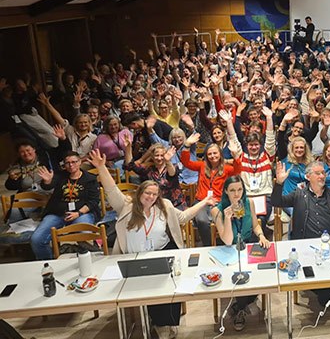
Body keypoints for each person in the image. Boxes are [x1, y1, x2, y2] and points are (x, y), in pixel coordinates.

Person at [88, 149, 216, 339]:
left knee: (170, 289)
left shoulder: (165, 206)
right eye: (147, 193)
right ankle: (159, 324)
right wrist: (100, 167)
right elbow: (111, 189)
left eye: (154, 194)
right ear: (140, 192)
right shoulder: (126, 206)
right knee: (151, 292)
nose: (150, 197)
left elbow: (184, 216)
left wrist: (205, 201)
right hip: (133, 257)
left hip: (162, 252)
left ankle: (169, 323)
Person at [271, 161, 330, 313]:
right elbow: (276, 202)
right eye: (318, 173)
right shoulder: (299, 193)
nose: (322, 176)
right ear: (308, 177)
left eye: (323, 173)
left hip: (329, 243)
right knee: (307, 273)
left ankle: (325, 293)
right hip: (305, 244)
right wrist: (279, 183)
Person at [211, 176, 270, 331]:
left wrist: (262, 235)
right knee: (239, 275)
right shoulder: (216, 210)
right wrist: (228, 219)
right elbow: (227, 240)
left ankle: (240, 304)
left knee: (263, 271)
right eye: (232, 190)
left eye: (239, 190)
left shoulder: (249, 202)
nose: (237, 194)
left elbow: (256, 225)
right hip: (229, 247)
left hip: (248, 242)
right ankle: (240, 308)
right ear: (225, 191)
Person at [30, 151, 100, 260]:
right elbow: (48, 186)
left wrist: (78, 213)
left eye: (74, 162)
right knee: (36, 239)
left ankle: (85, 261)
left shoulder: (90, 178)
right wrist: (48, 181)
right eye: (67, 163)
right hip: (57, 214)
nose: (71, 165)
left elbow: (94, 201)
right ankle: (49, 264)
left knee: (84, 235)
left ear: (80, 162)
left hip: (81, 213)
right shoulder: (60, 175)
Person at [180, 133, 241, 246]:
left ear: (220, 154)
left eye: (215, 153)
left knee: (229, 218)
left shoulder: (226, 169)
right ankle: (207, 245)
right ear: (206, 156)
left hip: (219, 202)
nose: (213, 156)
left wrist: (235, 155)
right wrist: (187, 145)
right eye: (210, 154)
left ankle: (226, 242)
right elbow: (186, 162)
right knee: (202, 221)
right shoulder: (202, 166)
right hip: (202, 202)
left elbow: (237, 171)